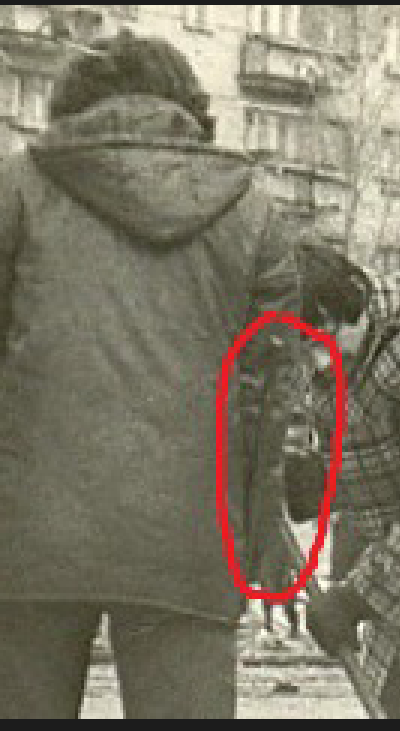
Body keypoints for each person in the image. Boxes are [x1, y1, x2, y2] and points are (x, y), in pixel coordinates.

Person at [0, 31, 300, 718]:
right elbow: (267, 399)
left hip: (26, 537)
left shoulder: (16, 189)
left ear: (70, 106)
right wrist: (259, 540)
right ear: (191, 110)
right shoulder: (252, 212)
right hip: (191, 539)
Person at [295, 244, 400, 718]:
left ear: (352, 299)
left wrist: (359, 595)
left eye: (323, 338)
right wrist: (322, 480)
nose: (318, 361)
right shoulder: (341, 359)